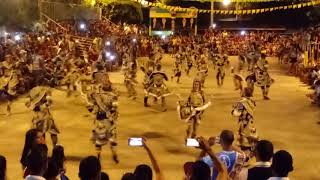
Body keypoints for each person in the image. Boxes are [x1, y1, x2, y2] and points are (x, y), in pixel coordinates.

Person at [89, 72, 119, 163]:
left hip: (110, 118)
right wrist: (92, 99)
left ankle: (114, 154)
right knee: (99, 138)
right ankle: (98, 157)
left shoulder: (113, 91)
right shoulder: (96, 91)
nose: (105, 82)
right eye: (103, 80)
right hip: (100, 117)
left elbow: (115, 104)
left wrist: (111, 114)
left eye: (106, 80)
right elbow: (92, 104)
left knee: (112, 137)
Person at [231, 87, 258, 155]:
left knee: (243, 140)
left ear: (244, 93)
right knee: (248, 138)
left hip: (244, 124)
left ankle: (246, 156)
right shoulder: (252, 101)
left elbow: (236, 113)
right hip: (250, 122)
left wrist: (233, 110)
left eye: (242, 91)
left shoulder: (241, 103)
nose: (240, 92)